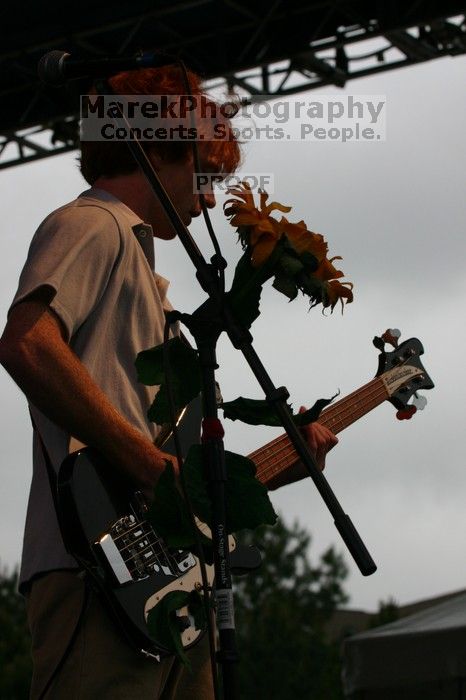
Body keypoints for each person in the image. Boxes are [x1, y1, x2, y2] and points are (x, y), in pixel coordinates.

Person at [0, 64, 338, 699]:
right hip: (94, 575)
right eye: (205, 177)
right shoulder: (92, 224)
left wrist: (267, 469)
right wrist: (152, 470)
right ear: (158, 147)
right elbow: (27, 344)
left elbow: (171, 466)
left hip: (159, 589)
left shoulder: (148, 282)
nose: (209, 200)